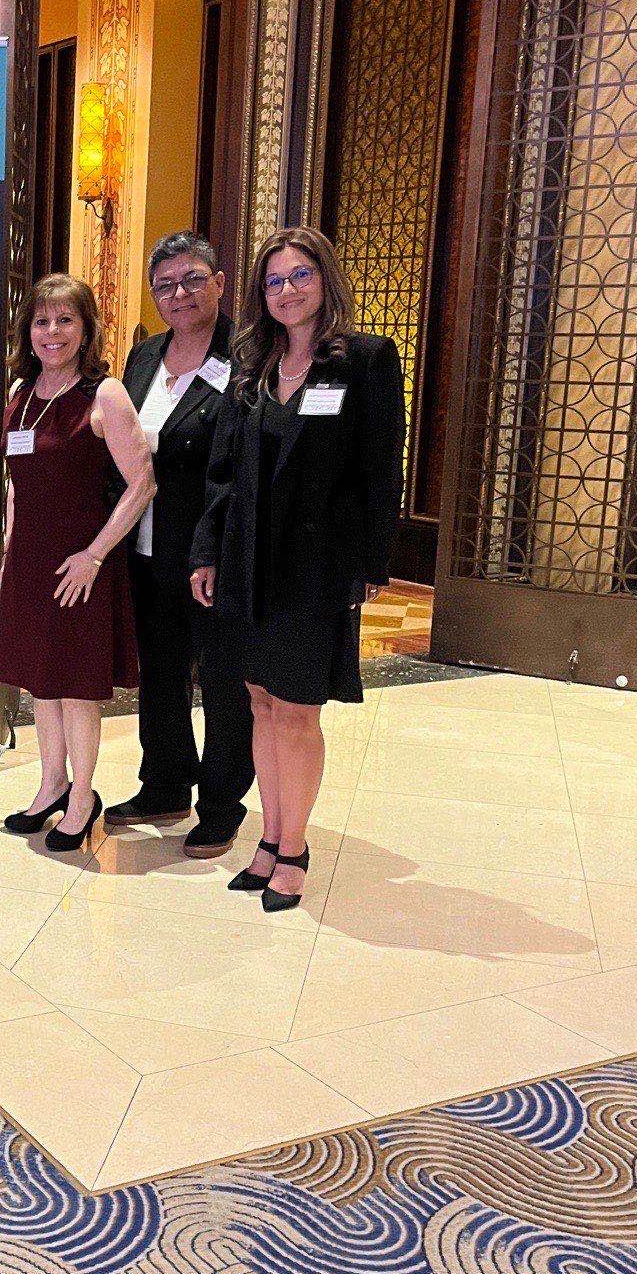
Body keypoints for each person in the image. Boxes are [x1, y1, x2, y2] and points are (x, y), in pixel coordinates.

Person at [190, 225, 404, 911]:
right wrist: (206, 551)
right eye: (275, 281)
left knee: (297, 711)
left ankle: (294, 846)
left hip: (315, 565)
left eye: (300, 276)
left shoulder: (364, 361)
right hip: (247, 560)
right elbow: (221, 472)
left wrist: (371, 562)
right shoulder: (251, 364)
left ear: (325, 280)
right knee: (258, 700)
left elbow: (380, 469)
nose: (287, 291)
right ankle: (267, 837)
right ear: (261, 293)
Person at [0, 273, 152, 852]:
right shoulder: (22, 393)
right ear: (27, 331)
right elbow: (16, 483)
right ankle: (51, 785)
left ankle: (83, 797)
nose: (52, 331)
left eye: (65, 320)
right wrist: (10, 550)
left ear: (85, 330)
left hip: (82, 563)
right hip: (31, 562)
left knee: (78, 687)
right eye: (42, 320)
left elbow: (142, 484)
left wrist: (94, 555)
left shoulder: (104, 394)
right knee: (43, 680)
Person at [108, 231, 254, 857]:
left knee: (222, 680)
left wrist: (217, 548)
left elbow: (247, 465)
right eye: (165, 284)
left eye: (193, 279)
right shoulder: (143, 358)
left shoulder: (249, 357)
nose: (179, 294)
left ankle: (221, 802)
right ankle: (165, 783)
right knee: (160, 673)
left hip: (211, 552)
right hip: (144, 549)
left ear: (221, 282)